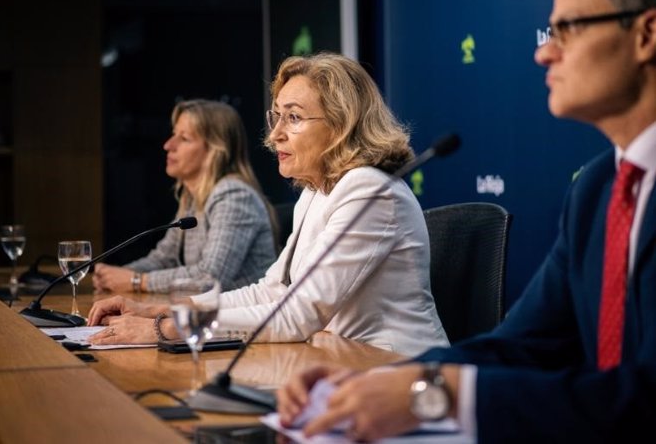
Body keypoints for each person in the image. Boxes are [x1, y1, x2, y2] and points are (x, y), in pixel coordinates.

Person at [276, 0, 656, 443]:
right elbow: (522, 344)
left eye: (568, 28)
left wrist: (441, 395)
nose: (545, 53)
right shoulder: (597, 189)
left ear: (646, 34)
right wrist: (385, 380)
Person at [87, 52, 449, 356]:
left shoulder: (370, 192)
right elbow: (273, 290)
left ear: (341, 125)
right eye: (276, 116)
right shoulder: (316, 191)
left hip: (395, 368)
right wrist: (164, 310)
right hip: (334, 357)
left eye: (293, 117)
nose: (275, 133)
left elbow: (299, 314)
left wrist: (166, 329)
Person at [91, 99, 277, 294]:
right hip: (211, 317)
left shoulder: (234, 196)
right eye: (173, 134)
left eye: (185, 138)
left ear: (215, 151)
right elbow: (164, 258)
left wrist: (137, 281)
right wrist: (118, 275)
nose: (168, 145)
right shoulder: (193, 197)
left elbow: (210, 278)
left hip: (244, 322)